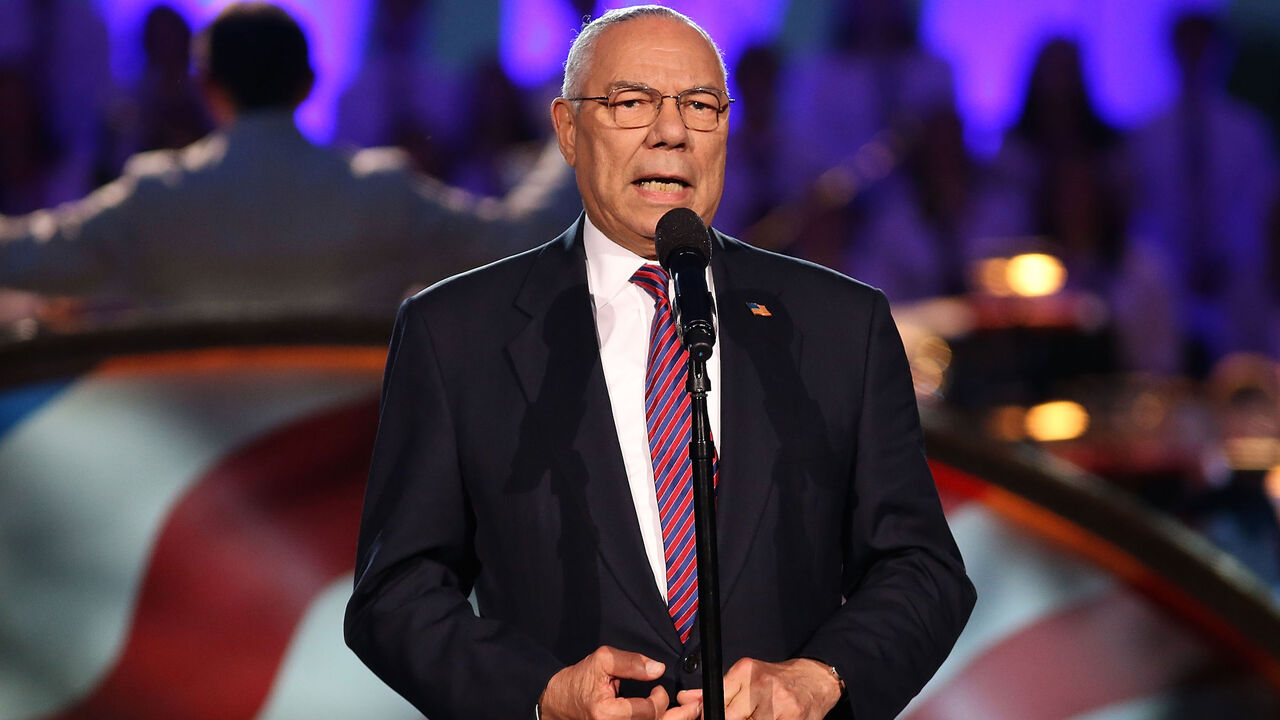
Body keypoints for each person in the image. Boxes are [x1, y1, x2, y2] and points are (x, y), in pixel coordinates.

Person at [345, 7, 975, 720]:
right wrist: (540, 696)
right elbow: (394, 593)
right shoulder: (455, 332)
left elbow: (923, 570)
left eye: (700, 106)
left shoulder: (841, 325)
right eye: (632, 102)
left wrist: (819, 678)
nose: (671, 131)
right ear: (567, 130)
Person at [0, 1, 576, 319]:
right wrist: (582, 115)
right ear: (308, 84)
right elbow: (525, 239)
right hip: (349, 496)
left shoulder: (155, 201)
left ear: (209, 88)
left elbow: (20, 256)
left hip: (187, 499)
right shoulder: (378, 195)